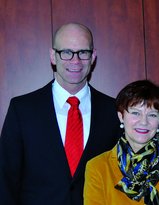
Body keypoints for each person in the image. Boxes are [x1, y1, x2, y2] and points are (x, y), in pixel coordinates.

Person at [0, 23, 121, 205]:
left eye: (83, 52)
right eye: (66, 52)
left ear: (93, 56)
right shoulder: (22, 109)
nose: (75, 60)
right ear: (53, 56)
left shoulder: (114, 111)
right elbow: (5, 180)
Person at [84, 80, 159, 205]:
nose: (144, 122)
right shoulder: (97, 167)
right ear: (121, 116)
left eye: (152, 115)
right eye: (136, 113)